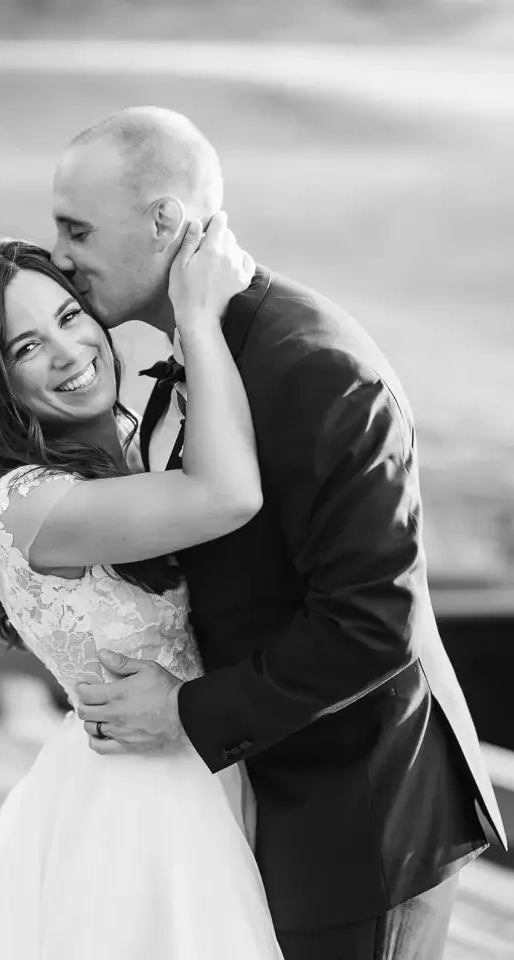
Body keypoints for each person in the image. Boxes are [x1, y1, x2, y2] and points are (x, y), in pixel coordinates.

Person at [51, 106, 507, 960]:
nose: (61, 255)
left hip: (359, 822)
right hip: (266, 796)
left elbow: (374, 621)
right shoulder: (204, 344)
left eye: (77, 228)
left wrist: (186, 712)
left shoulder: (312, 368)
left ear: (165, 222)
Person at [0, 222, 286, 959]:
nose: (69, 354)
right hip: (145, 810)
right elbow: (225, 495)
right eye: (24, 349)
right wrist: (195, 317)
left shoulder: (128, 441)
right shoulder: (29, 506)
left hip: (213, 765)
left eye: (67, 316)